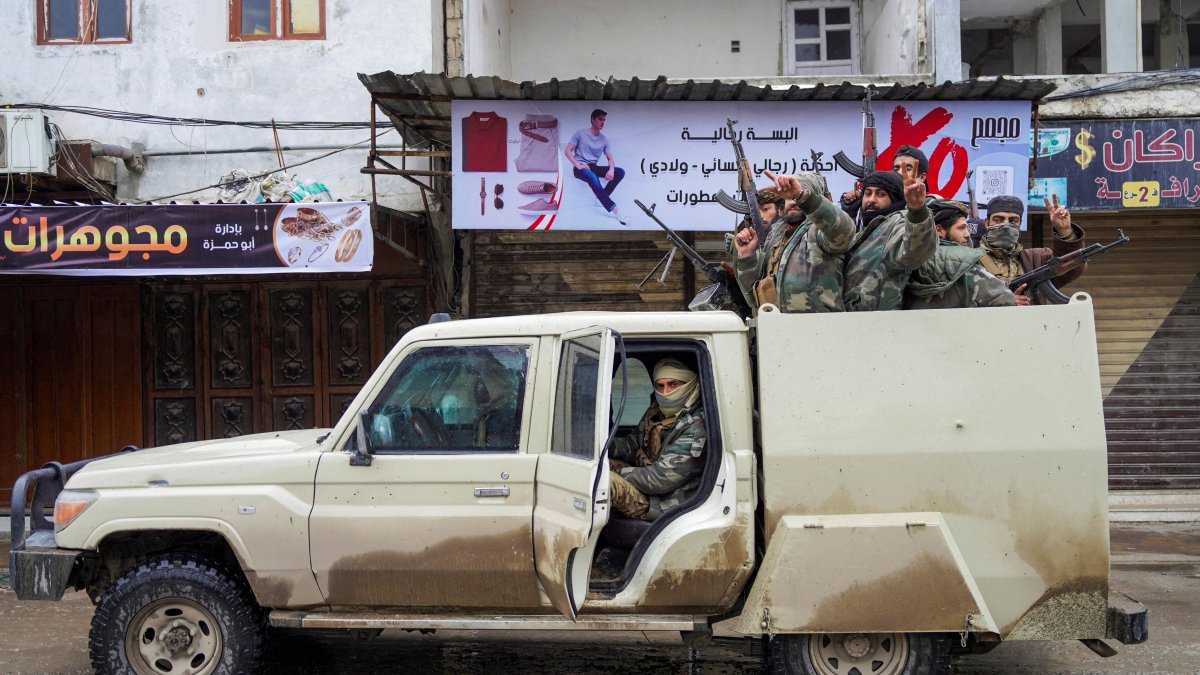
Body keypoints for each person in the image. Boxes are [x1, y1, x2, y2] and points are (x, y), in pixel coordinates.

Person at [733, 172, 854, 313]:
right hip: (775, 324)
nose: (792, 201)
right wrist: (747, 256)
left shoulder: (820, 232)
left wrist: (803, 197)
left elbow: (844, 231)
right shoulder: (775, 235)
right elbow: (754, 297)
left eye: (797, 194)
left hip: (818, 324)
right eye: (788, 196)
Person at [608, 358, 706, 522]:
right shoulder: (657, 411)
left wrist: (618, 472)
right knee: (599, 465)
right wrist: (605, 447)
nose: (665, 392)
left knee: (605, 481)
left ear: (688, 384)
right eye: (660, 386)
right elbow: (634, 443)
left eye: (673, 384)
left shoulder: (696, 426)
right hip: (649, 483)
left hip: (666, 503)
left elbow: (659, 479)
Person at [842, 170, 938, 311]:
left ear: (895, 199)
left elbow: (913, 252)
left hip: (878, 320)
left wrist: (917, 211)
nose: (871, 200)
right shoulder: (869, 226)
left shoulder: (897, 223)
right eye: (867, 193)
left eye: (881, 194)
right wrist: (849, 214)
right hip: (851, 319)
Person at [904, 200, 1016, 310]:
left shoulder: (907, 263)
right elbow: (1005, 300)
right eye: (961, 228)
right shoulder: (966, 266)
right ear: (939, 230)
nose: (967, 234)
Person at [978, 194, 1087, 305]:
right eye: (998, 220)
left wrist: (1064, 230)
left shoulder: (1037, 259)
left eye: (1013, 220)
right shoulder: (972, 261)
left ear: (1020, 224)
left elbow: (1073, 267)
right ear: (987, 223)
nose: (1006, 225)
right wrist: (1003, 302)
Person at [840, 144, 931, 225]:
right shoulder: (883, 206)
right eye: (896, 169)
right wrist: (850, 214)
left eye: (907, 169)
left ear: (922, 177)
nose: (900, 173)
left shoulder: (931, 207)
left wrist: (917, 209)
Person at [564, 109, 627, 224]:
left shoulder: (604, 139)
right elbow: (567, 151)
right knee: (593, 177)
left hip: (593, 167)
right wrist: (578, 165)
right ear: (593, 119)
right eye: (600, 119)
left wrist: (611, 169)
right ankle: (616, 211)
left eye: (604, 120)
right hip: (580, 167)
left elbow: (610, 159)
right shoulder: (580, 133)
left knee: (620, 172)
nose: (602, 122)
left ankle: (600, 199)